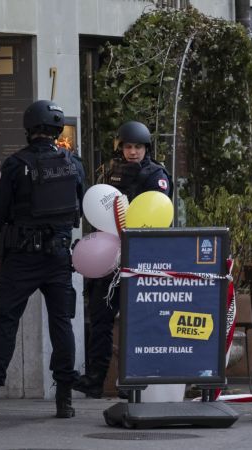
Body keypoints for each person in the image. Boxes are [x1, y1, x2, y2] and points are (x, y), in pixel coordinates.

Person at [0, 100, 85, 418]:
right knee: (62, 325)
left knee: (6, 323)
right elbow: (80, 207)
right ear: (57, 129)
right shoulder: (74, 164)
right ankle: (65, 401)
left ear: (29, 128)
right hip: (59, 256)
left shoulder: (15, 165)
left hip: (21, 258)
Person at [72, 121, 171, 398]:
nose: (133, 152)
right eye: (128, 146)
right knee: (101, 319)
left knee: (136, 322)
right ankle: (95, 380)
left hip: (141, 259)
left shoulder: (156, 175)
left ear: (146, 148)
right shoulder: (110, 172)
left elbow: (159, 215)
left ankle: (133, 380)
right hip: (109, 257)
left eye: (138, 147)